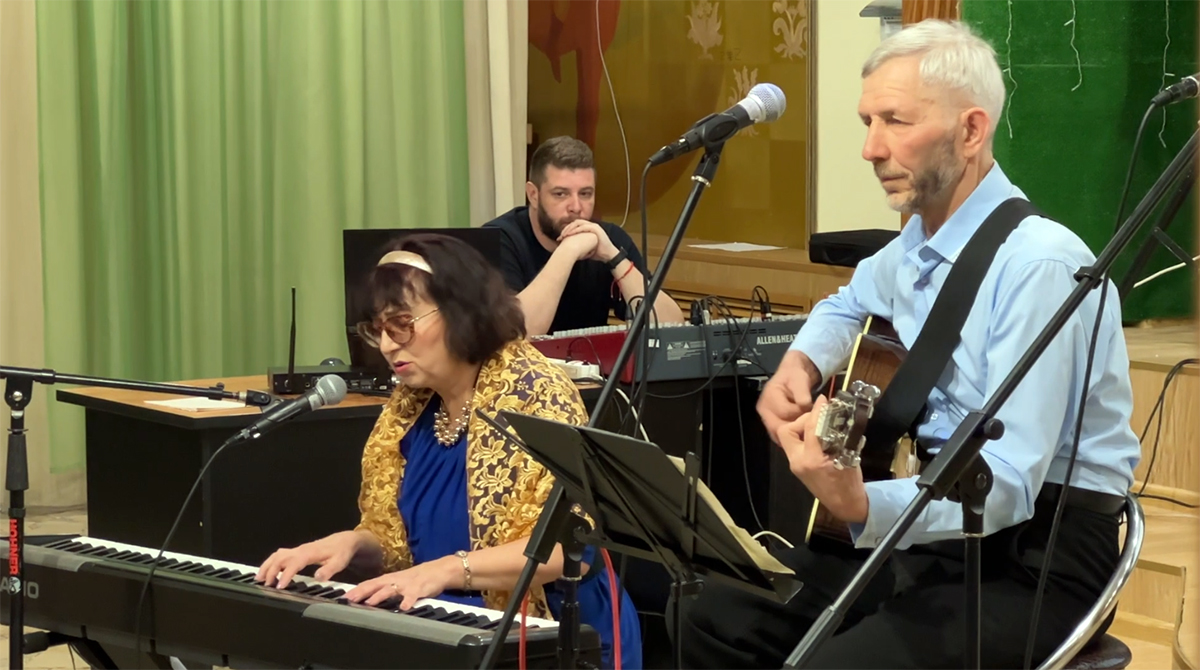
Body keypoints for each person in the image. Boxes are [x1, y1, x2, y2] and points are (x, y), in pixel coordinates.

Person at [679, 19, 1140, 669]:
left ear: (971, 131)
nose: (870, 148)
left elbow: (1009, 483)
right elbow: (848, 303)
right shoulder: (920, 242)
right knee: (712, 619)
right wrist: (802, 362)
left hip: (1034, 556)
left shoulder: (1040, 266)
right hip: (931, 528)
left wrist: (863, 503)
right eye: (867, 121)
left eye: (894, 121)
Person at [256, 233, 642, 669]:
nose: (387, 345)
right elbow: (397, 542)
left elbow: (558, 552)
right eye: (379, 329)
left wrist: (441, 571)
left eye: (402, 323)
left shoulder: (537, 392)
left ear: (461, 311)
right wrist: (349, 543)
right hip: (449, 625)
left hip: (557, 638)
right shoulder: (409, 407)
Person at [482, 136, 685, 336]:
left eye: (585, 194)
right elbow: (515, 334)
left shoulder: (608, 239)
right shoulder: (498, 239)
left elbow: (673, 327)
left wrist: (614, 258)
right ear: (533, 195)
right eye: (560, 194)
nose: (576, 207)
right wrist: (567, 252)